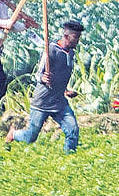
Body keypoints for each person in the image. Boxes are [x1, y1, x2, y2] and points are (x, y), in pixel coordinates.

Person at [6, 20, 84, 154]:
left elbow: (61, 75)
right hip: (42, 102)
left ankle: (70, 157)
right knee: (31, 136)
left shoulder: (70, 54)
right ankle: (14, 134)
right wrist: (42, 78)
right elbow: (38, 74)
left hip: (59, 102)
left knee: (73, 129)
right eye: (75, 37)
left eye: (78, 37)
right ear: (66, 36)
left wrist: (65, 90)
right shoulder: (51, 50)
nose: (77, 40)